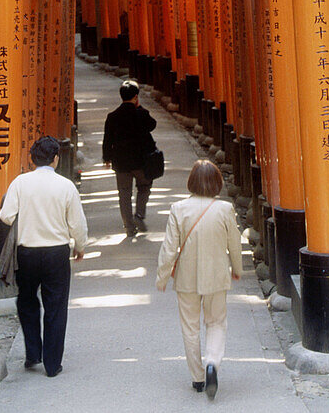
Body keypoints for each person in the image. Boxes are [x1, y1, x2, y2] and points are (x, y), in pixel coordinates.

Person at [0, 136, 88, 378]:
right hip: (56, 252)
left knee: (26, 300)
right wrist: (80, 246)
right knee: (55, 306)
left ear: (32, 159)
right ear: (56, 158)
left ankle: (32, 353)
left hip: (26, 252)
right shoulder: (66, 186)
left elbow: (6, 216)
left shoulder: (20, 182)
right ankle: (52, 363)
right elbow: (77, 224)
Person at [156, 160, 242, 400]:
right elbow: (234, 243)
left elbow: (169, 247)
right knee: (216, 322)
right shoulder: (225, 209)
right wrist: (237, 268)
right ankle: (212, 362)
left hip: (186, 278)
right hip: (216, 275)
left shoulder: (178, 209)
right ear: (217, 183)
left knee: (190, 326)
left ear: (191, 182)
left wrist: (162, 276)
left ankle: (197, 377)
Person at [102, 80, 158, 237]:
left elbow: (108, 139)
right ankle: (139, 215)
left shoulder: (112, 116)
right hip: (141, 160)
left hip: (121, 161)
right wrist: (139, 107)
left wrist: (107, 158)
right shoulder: (141, 114)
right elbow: (152, 125)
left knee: (124, 193)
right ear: (136, 97)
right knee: (144, 187)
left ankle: (129, 226)